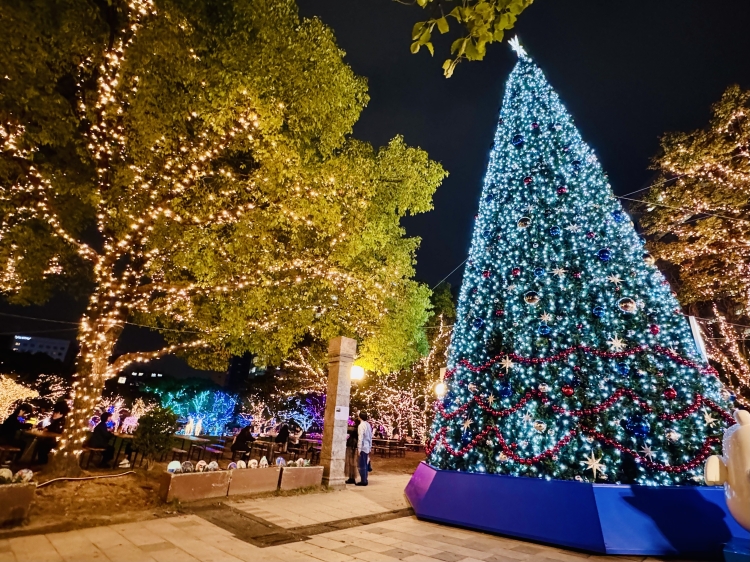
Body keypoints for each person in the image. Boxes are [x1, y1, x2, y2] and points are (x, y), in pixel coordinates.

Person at [356, 411, 372, 487]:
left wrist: (359, 449)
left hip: (363, 447)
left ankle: (363, 480)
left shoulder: (361, 426)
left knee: (362, 464)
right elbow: (370, 437)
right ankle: (365, 479)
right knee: (365, 463)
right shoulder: (368, 425)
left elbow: (360, 438)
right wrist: (370, 447)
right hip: (367, 446)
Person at [345, 419, 359, 484]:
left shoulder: (355, 429)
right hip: (353, 446)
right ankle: (351, 477)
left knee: (351, 462)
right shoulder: (358, 428)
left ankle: (352, 478)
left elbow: (347, 429)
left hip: (352, 446)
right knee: (352, 463)